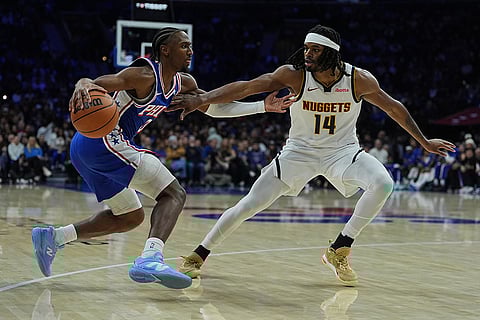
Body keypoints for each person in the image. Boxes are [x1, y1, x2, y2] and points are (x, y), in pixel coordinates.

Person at [173, 24, 456, 286]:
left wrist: (424, 141)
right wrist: (203, 98)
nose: (307, 54)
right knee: (249, 205)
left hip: (343, 152)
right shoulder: (294, 74)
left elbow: (393, 108)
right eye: (306, 48)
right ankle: (198, 254)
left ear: (331, 53)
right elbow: (248, 86)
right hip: (298, 152)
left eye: (315, 50)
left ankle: (340, 247)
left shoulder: (359, 79)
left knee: (383, 183)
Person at [31, 27, 293, 289]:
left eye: (190, 46)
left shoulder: (183, 83)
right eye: (183, 46)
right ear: (165, 50)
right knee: (173, 193)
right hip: (104, 142)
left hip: (84, 149)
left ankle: (53, 238)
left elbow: (213, 109)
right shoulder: (144, 75)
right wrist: (82, 83)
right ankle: (150, 258)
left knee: (130, 216)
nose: (190, 51)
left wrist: (262, 106)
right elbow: (95, 83)